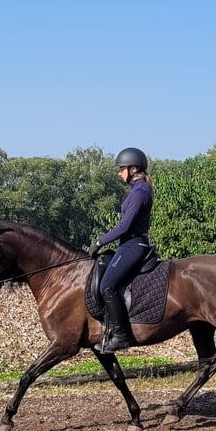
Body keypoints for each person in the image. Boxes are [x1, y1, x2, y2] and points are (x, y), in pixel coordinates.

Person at [88, 147, 154, 352]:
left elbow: (124, 226)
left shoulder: (140, 192)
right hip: (128, 244)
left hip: (134, 244)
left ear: (133, 168)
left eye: (122, 168)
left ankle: (121, 335)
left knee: (106, 286)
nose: (119, 173)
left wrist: (99, 242)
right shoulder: (137, 190)